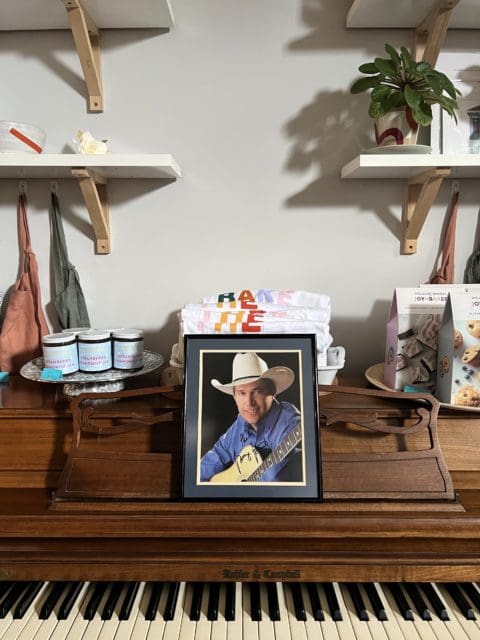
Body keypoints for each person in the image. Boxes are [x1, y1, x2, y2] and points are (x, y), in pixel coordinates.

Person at [200, 351, 302, 483]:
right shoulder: (241, 423)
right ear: (235, 397)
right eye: (242, 393)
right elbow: (214, 458)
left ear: (273, 392)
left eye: (257, 391)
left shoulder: (291, 424)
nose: (249, 403)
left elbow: (277, 482)